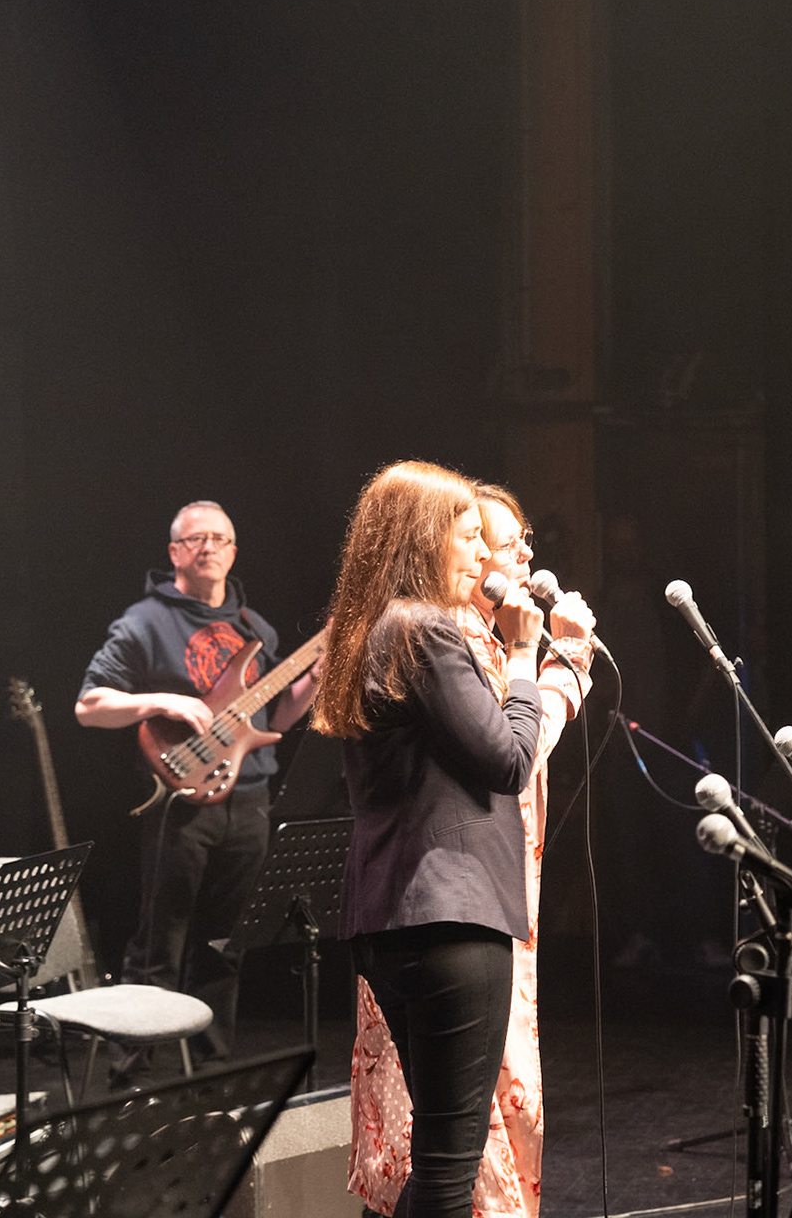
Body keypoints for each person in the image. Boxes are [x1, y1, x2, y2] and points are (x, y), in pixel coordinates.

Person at [314, 461, 558, 1218]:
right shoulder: (422, 628)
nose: (482, 555)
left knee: (438, 1163)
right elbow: (509, 760)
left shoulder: (371, 630)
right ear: (424, 539)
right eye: (468, 536)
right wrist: (526, 656)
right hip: (450, 916)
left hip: (394, 917)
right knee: (449, 1169)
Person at [75, 500, 317, 1075]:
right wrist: (162, 701)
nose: (208, 547)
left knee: (224, 945)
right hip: (180, 803)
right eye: (194, 539)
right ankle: (133, 1072)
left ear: (234, 552)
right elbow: (89, 706)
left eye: (219, 539)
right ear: (174, 553)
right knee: (159, 943)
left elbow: (278, 719)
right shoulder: (144, 622)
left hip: (250, 799)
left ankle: (212, 1072)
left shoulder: (255, 628)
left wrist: (315, 677)